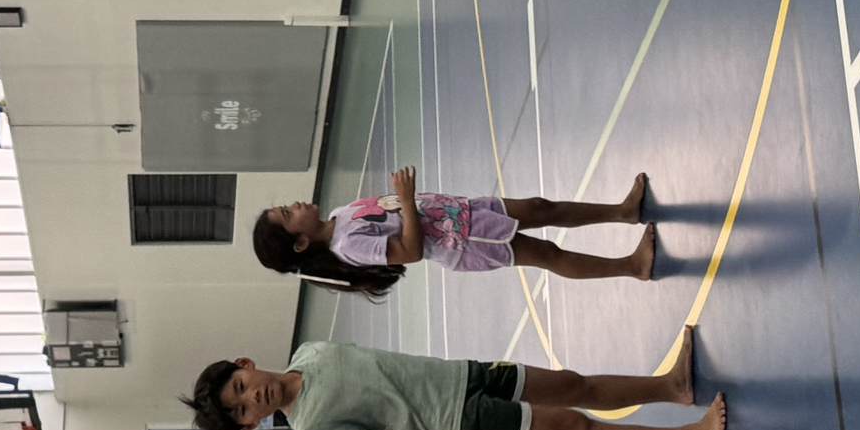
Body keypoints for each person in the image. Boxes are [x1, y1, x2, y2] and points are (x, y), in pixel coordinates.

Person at [181, 329, 725, 430]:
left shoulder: (309, 353)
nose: (253, 398)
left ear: (245, 362)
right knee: (575, 428)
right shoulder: (312, 429)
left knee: (572, 384)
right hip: (454, 424)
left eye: (241, 387)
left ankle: (670, 386)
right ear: (250, 427)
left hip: (463, 375)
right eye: (244, 411)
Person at [255, 165, 655, 294]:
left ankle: (622, 212)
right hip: (463, 242)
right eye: (288, 214)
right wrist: (407, 200)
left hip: (462, 211)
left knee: (540, 207)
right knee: (548, 255)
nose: (295, 205)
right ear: (301, 242)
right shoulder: (347, 247)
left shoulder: (341, 215)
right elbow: (409, 251)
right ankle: (631, 266)